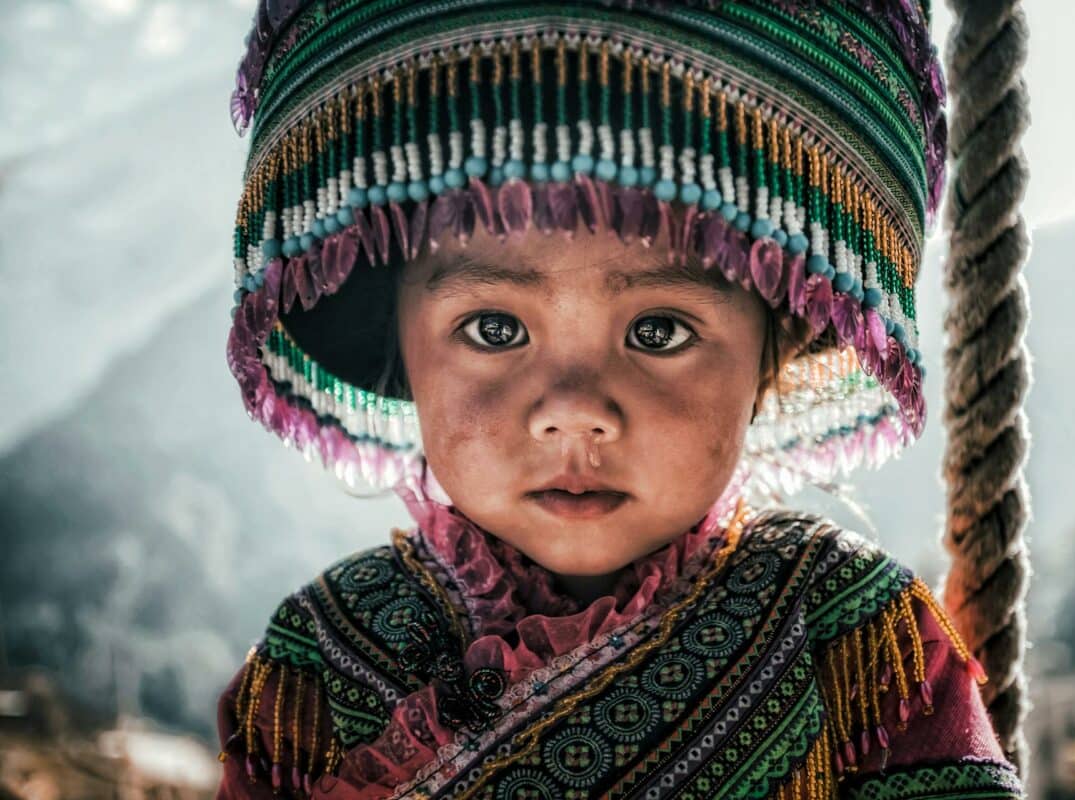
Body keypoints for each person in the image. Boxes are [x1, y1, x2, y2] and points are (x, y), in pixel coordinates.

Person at [217, 1, 1026, 797]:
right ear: (403, 351)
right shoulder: (320, 660)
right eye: (495, 330)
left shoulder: (852, 635)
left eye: (660, 333)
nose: (574, 410)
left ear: (770, 354)